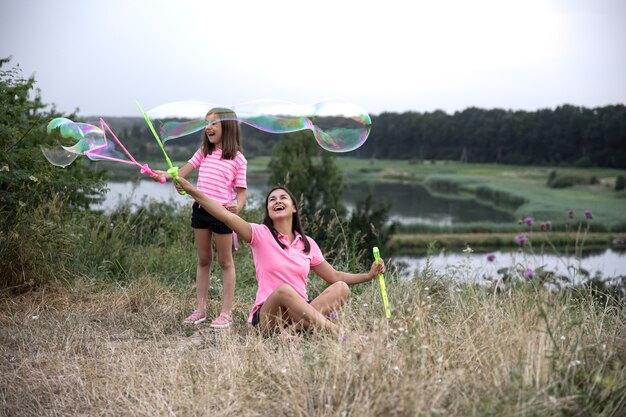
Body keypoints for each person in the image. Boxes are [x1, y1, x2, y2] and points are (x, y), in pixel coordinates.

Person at [173, 177, 385, 335]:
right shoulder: (259, 234)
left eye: (283, 197)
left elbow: (335, 276)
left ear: (293, 208)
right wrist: (192, 190)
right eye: (272, 199)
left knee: (342, 288)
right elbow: (224, 215)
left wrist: (368, 275)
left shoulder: (307, 243)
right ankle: (338, 333)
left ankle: (291, 333)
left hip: (298, 312)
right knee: (284, 290)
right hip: (269, 316)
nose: (277, 201)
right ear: (268, 210)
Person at [156, 108, 247, 328]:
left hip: (222, 212)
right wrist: (163, 175)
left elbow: (242, 190)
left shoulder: (238, 159)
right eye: (207, 123)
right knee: (204, 259)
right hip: (200, 211)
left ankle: (226, 313)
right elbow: (181, 173)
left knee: (225, 262)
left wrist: (239, 206)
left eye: (214, 123)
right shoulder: (203, 152)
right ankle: (201, 310)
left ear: (228, 126)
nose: (208, 127)